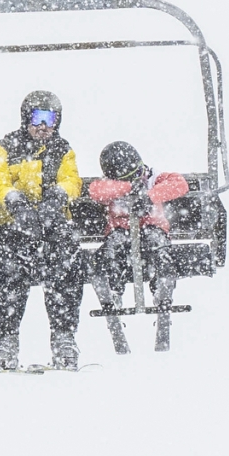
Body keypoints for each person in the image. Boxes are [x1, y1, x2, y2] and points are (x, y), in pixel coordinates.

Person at [0, 91, 89, 371]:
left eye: (50, 119)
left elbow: (72, 180)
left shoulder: (62, 150)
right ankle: (5, 339)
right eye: (37, 118)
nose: (43, 126)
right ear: (25, 118)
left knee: (66, 263)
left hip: (51, 227)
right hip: (13, 227)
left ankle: (64, 336)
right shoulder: (5, 148)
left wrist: (58, 197)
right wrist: (13, 201)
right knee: (6, 269)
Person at [86, 140, 190, 353]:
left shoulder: (153, 177)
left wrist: (149, 196)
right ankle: (112, 291)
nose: (137, 178)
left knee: (161, 248)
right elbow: (96, 191)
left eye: (138, 173)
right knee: (110, 251)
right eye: (127, 177)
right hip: (121, 232)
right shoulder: (109, 185)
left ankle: (162, 289)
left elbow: (179, 183)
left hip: (151, 229)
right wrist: (126, 188)